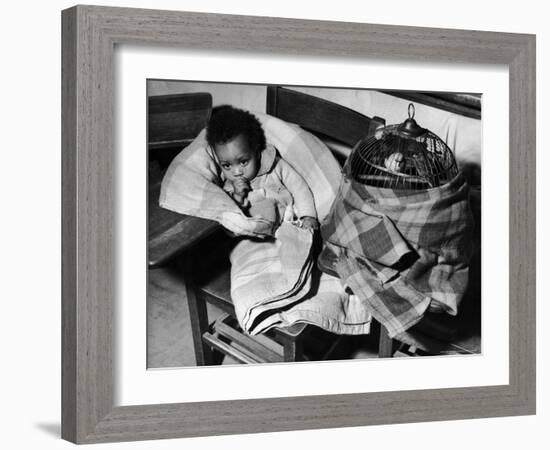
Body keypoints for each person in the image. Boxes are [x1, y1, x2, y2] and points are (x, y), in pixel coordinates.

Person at [206, 105, 318, 232]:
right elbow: (230, 213)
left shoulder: (276, 166)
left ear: (257, 152)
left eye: (243, 162)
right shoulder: (229, 185)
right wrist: (238, 196)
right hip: (252, 230)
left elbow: (299, 187)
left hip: (284, 223)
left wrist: (308, 215)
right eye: (227, 165)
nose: (236, 172)